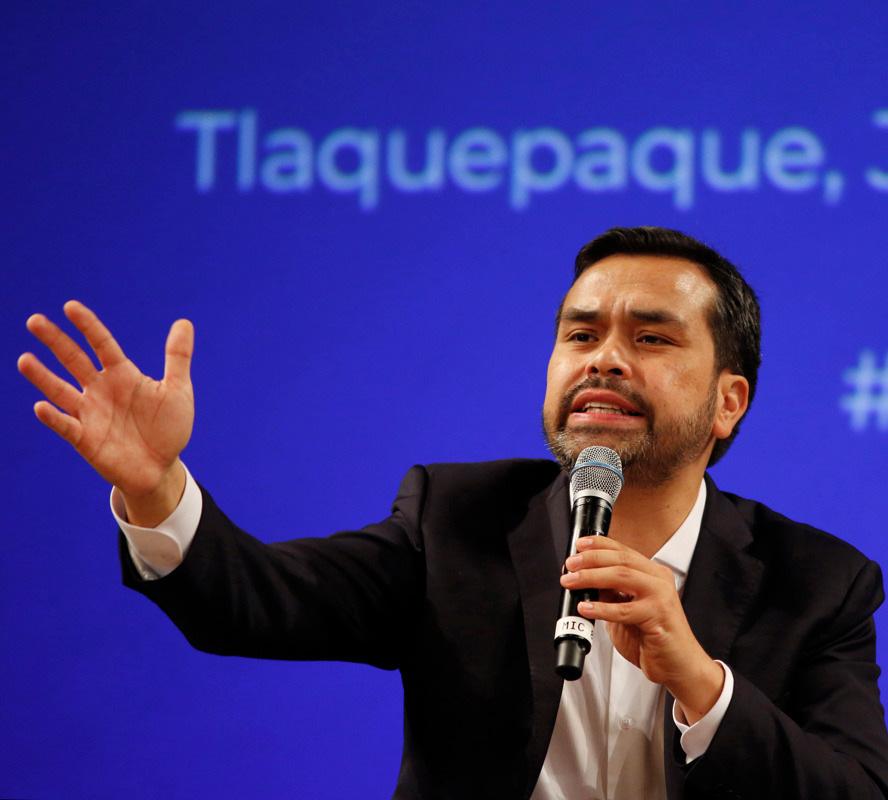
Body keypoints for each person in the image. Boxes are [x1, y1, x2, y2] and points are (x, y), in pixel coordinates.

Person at [18, 227, 888, 799]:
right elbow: (253, 600)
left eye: (651, 338)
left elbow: (854, 791)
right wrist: (155, 487)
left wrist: (698, 680)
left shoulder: (819, 583)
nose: (604, 360)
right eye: (580, 335)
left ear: (729, 401)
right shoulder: (456, 521)